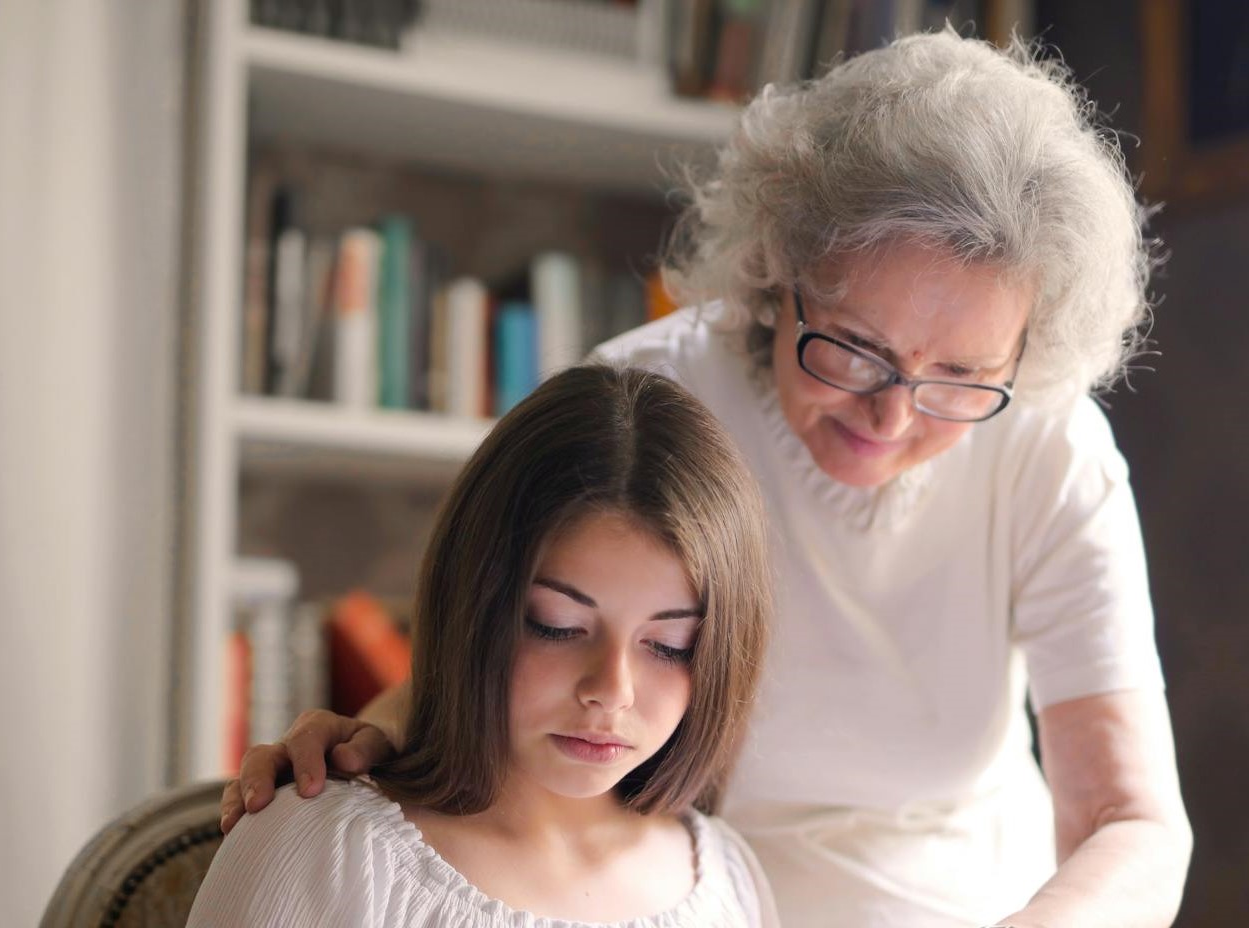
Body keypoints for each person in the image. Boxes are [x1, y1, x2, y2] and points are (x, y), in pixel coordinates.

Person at [223, 28, 1192, 928]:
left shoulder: (1047, 446)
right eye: (851, 349)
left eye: (960, 378)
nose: (891, 415)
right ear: (777, 273)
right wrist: (374, 736)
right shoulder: (641, 406)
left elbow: (1133, 821)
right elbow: (514, 640)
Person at [190, 365, 780, 927]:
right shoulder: (325, 852)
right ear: (474, 605)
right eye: (556, 625)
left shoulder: (726, 883)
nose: (611, 691)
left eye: (671, 644)